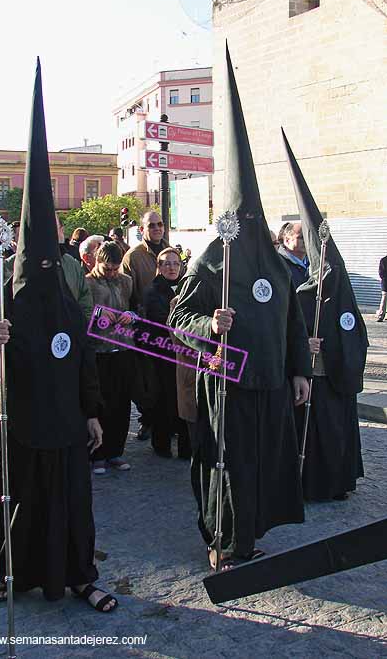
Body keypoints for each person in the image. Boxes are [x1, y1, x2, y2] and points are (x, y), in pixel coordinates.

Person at [0, 58, 117, 612]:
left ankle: (79, 574)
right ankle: (4, 572)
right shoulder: (6, 299)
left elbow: (85, 364)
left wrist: (93, 411)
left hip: (67, 425)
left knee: (73, 505)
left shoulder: (69, 304)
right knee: (15, 504)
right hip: (18, 423)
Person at [169, 44, 311, 570]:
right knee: (228, 463)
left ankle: (250, 532)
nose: (250, 224)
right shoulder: (210, 258)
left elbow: (293, 319)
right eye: (243, 214)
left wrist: (300, 371)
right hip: (226, 380)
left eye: (257, 216)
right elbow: (176, 321)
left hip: (271, 383)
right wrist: (210, 321)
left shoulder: (276, 262)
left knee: (262, 463)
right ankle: (225, 539)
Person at [282, 127, 367, 501]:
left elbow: (354, 328)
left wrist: (337, 347)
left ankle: (338, 482)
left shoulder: (337, 281)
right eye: (297, 238)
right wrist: (304, 345)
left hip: (333, 373)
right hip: (310, 373)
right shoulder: (296, 286)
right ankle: (309, 483)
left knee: (337, 430)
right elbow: (286, 327)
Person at [86, 241, 134, 474]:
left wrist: (130, 315)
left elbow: (136, 307)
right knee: (99, 404)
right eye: (108, 269)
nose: (112, 273)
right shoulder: (87, 283)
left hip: (122, 348)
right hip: (97, 350)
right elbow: (79, 311)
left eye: (116, 269)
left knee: (121, 403)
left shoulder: (126, 281)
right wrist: (96, 313)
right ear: (97, 262)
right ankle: (97, 453)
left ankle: (116, 451)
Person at [122, 211, 169, 440]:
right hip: (144, 328)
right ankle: (148, 420)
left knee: (165, 378)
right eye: (152, 225)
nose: (157, 228)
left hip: (169, 328)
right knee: (146, 382)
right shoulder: (133, 256)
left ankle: (166, 421)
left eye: (160, 224)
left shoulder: (170, 251)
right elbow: (126, 294)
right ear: (143, 229)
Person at [143, 248, 191, 459]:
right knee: (163, 399)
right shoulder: (152, 291)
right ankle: (161, 444)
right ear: (159, 267)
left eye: (176, 263)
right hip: (163, 351)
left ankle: (185, 447)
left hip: (184, 353)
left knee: (185, 399)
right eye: (167, 263)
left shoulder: (187, 287)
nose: (172, 267)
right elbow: (160, 320)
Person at [277, 222, 309, 288]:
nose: (306, 240)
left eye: (308, 237)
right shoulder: (278, 264)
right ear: (287, 240)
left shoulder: (315, 261)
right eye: (301, 237)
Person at [375, 254, 387, 322]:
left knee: (384, 300)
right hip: (385, 283)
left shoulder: (383, 260)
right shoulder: (383, 260)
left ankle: (381, 316)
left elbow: (381, 273)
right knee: (384, 299)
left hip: (385, 283)